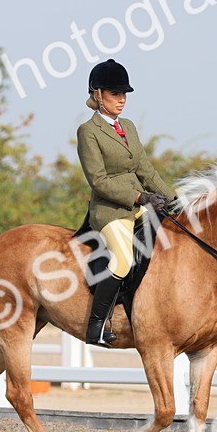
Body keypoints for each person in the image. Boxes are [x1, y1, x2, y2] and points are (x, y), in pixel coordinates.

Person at [76, 59, 173, 347]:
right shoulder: (88, 131)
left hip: (138, 206)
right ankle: (96, 325)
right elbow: (98, 180)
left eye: (124, 95)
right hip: (110, 210)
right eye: (115, 94)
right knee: (122, 259)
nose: (122, 100)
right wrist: (138, 196)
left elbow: (145, 170)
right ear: (97, 95)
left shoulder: (128, 126)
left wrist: (173, 199)